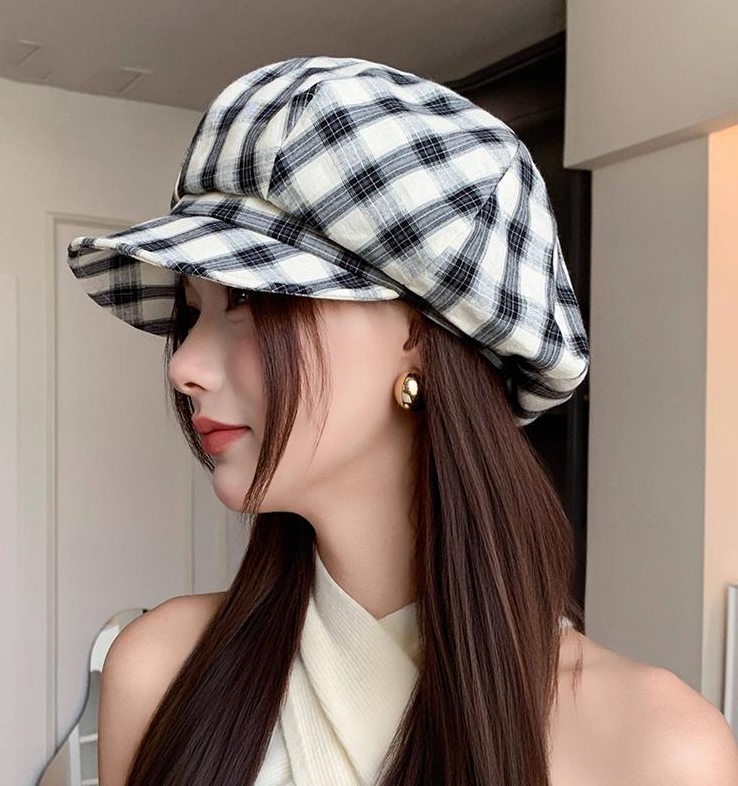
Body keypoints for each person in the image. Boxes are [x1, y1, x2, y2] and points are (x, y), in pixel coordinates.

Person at [67, 55, 738, 786]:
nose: (184, 366)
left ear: (420, 332)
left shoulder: (657, 749)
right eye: (192, 313)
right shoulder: (159, 670)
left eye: (249, 301)